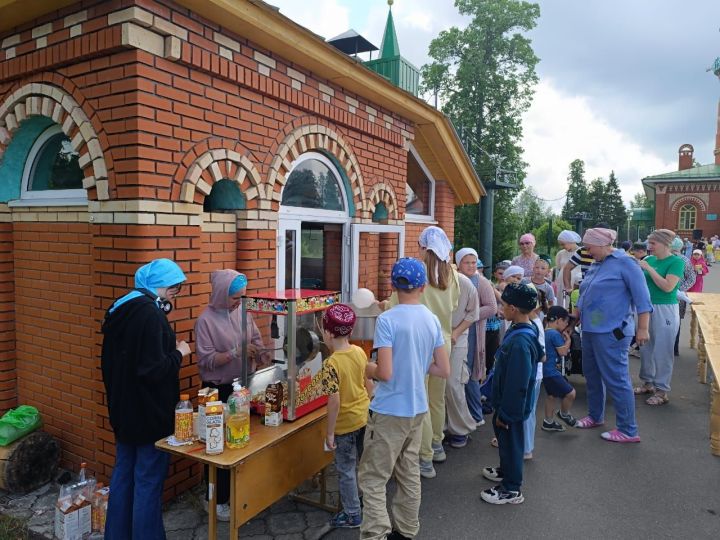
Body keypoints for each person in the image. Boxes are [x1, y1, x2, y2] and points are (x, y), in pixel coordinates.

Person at [358, 258, 449, 539]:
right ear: (422, 286)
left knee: (373, 478)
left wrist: (367, 366)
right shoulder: (430, 319)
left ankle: (375, 534)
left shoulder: (387, 319)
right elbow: (442, 369)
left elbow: (384, 372)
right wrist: (417, 365)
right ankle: (407, 531)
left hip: (388, 410)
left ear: (392, 286)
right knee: (408, 473)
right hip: (416, 408)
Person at [101, 259, 191, 540]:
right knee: (148, 483)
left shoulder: (120, 310)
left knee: (123, 478)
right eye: (174, 289)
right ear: (160, 287)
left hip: (123, 411)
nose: (175, 295)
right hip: (150, 416)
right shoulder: (150, 317)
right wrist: (179, 353)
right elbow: (153, 371)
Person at [382, 226, 459, 479]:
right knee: (437, 399)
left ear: (425, 246)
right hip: (443, 341)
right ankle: (437, 445)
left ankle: (424, 457)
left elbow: (395, 305)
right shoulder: (452, 273)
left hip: (418, 342)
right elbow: (454, 305)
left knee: (420, 400)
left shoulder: (416, 272)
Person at [195, 269, 268, 521]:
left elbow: (256, 338)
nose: (239, 302)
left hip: (243, 386)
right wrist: (234, 353)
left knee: (240, 441)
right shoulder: (205, 320)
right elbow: (205, 360)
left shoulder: (242, 312)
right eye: (235, 297)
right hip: (217, 390)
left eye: (242, 297)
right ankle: (214, 499)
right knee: (217, 445)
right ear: (220, 294)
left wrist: (260, 353)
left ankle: (237, 493)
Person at [575, 228, 652, 442]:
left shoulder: (626, 263)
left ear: (601, 244)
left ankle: (628, 429)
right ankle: (595, 415)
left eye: (589, 246)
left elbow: (642, 298)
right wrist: (576, 315)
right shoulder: (597, 263)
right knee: (592, 375)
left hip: (612, 331)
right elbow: (584, 293)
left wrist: (643, 328)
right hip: (590, 329)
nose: (587, 250)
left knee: (616, 379)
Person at [480, 283, 544, 505]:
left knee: (512, 445)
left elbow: (517, 382)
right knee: (507, 444)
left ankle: (511, 489)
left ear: (514, 309)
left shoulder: (519, 341)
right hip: (506, 403)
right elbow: (541, 354)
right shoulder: (526, 328)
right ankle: (506, 471)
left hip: (511, 407)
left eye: (504, 305)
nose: (501, 309)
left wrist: (506, 413)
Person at [321, 304, 372, 529]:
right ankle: (363, 501)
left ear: (329, 333)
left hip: (344, 425)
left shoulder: (330, 364)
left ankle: (352, 514)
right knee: (362, 463)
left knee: (345, 469)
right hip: (362, 417)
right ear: (350, 332)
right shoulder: (359, 352)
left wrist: (330, 432)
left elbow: (334, 401)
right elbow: (367, 383)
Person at [636, 229, 684, 406]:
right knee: (645, 347)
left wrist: (648, 268)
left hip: (665, 308)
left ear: (665, 244)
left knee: (663, 350)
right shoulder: (649, 259)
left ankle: (662, 390)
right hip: (646, 308)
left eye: (653, 243)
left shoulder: (676, 262)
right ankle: (647, 383)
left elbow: (668, 287)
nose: (649, 247)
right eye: (649, 243)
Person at [456, 250, 498, 425]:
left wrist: (470, 315)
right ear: (458, 263)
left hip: (473, 331)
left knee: (471, 372)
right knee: (458, 372)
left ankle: (476, 414)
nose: (472, 266)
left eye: (474, 262)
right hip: (458, 330)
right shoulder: (455, 280)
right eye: (467, 262)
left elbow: (492, 307)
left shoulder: (481, 282)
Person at [445, 254, 480, 448]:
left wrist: (456, 332)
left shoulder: (465, 284)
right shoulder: (429, 280)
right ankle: (439, 428)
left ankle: (460, 428)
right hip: (436, 340)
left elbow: (473, 313)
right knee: (435, 386)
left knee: (453, 383)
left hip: (457, 339)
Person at [540, 306, 577, 432]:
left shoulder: (546, 331)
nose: (566, 324)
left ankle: (548, 422)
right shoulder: (554, 334)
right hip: (551, 372)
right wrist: (568, 341)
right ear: (558, 320)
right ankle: (564, 413)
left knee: (552, 396)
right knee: (571, 393)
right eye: (565, 321)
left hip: (546, 372)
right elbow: (563, 352)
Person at [555, 231, 582, 307]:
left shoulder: (581, 252)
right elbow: (559, 268)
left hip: (575, 285)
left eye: (563, 244)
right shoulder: (560, 253)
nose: (562, 246)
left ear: (570, 241)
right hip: (562, 285)